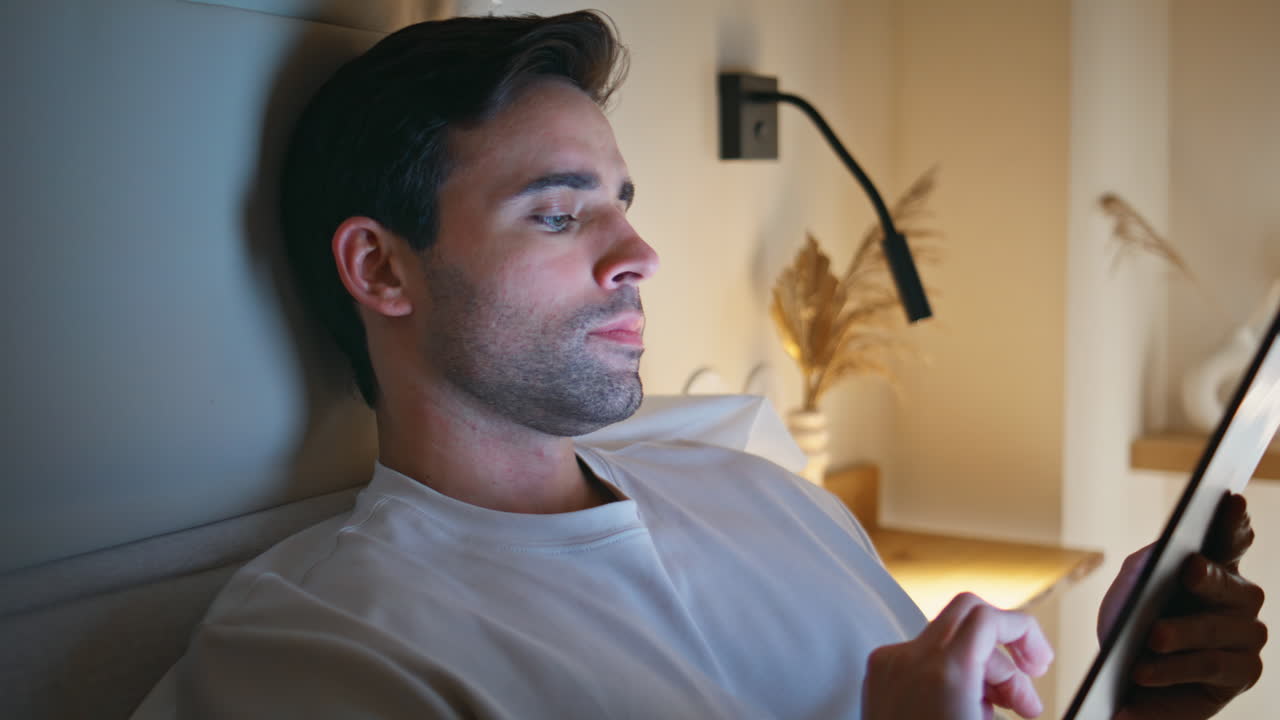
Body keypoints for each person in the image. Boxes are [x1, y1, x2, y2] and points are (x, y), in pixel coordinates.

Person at [136, 11, 1266, 719]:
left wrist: (1131, 703)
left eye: (619, 205)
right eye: (557, 213)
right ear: (381, 271)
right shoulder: (323, 650)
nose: (639, 254)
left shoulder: (768, 499)